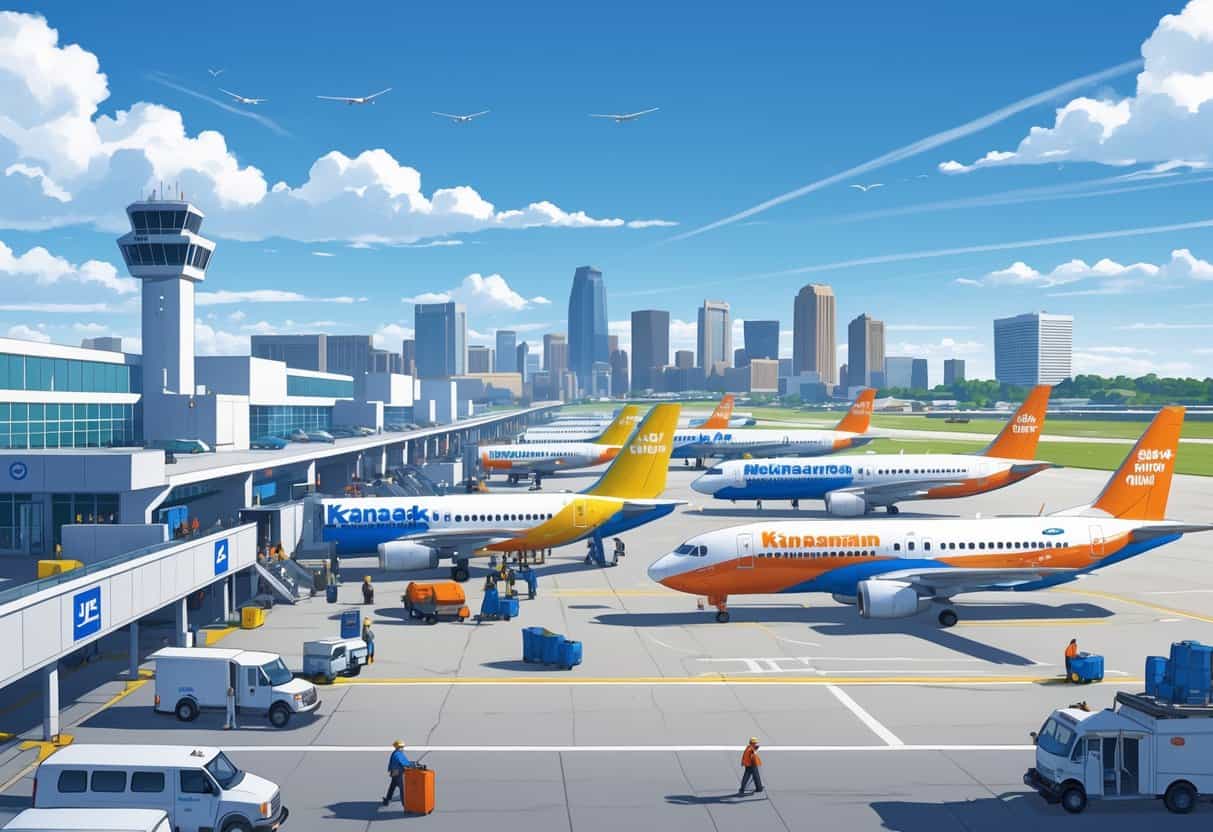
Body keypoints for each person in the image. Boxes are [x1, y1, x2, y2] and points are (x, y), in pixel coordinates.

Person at [381, 740, 411, 806]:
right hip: (398, 773)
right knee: (402, 789)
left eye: (402, 747)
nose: (402, 748)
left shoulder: (396, 753)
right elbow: (403, 762)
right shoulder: (398, 754)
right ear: (397, 747)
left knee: (392, 786)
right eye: (401, 747)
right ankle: (405, 805)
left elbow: (404, 761)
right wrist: (411, 764)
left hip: (394, 772)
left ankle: (387, 800)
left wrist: (409, 763)